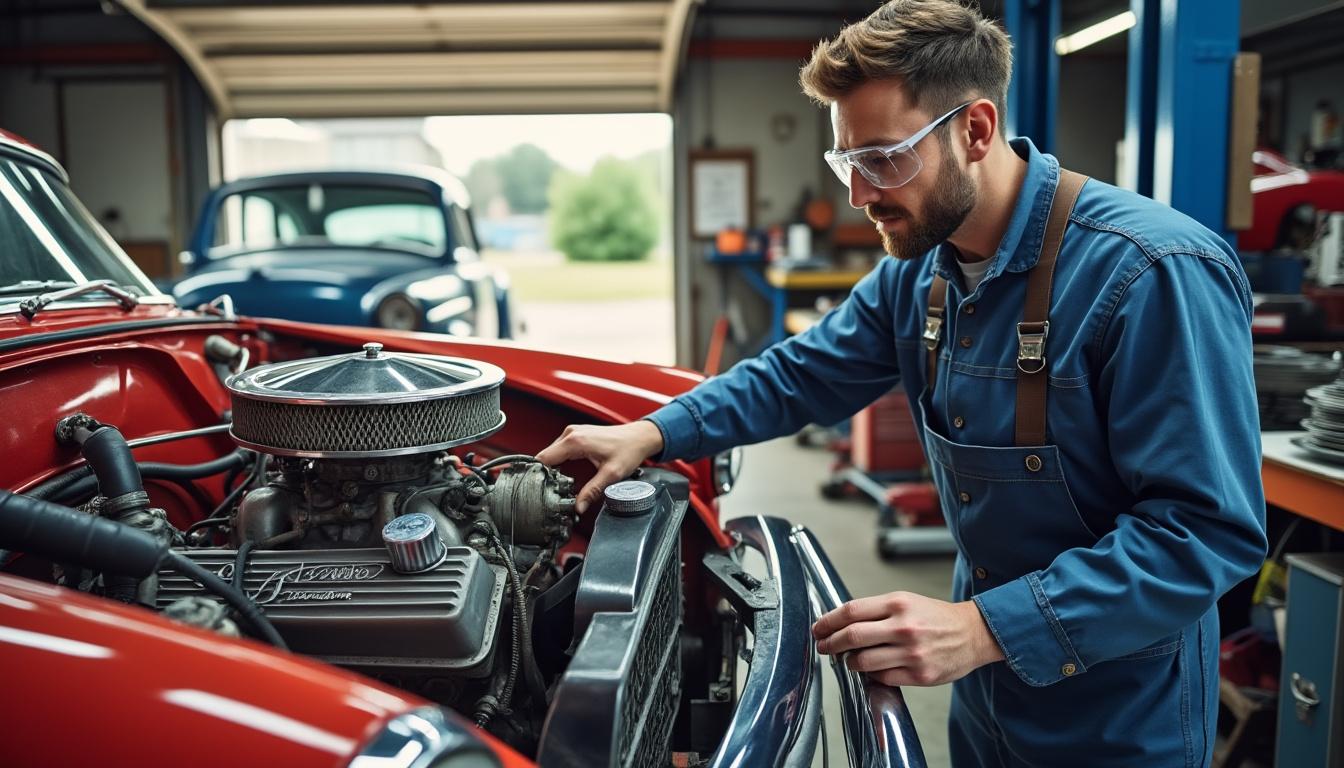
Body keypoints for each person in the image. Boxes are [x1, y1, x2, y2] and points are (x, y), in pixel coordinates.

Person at [536, 1, 1267, 764]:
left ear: (975, 130)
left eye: (883, 159)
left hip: (1117, 716)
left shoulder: (1153, 274)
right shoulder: (921, 272)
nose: (859, 194)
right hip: (985, 699)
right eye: (847, 161)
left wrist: (984, 630)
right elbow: (801, 372)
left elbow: (1203, 533)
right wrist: (656, 429)